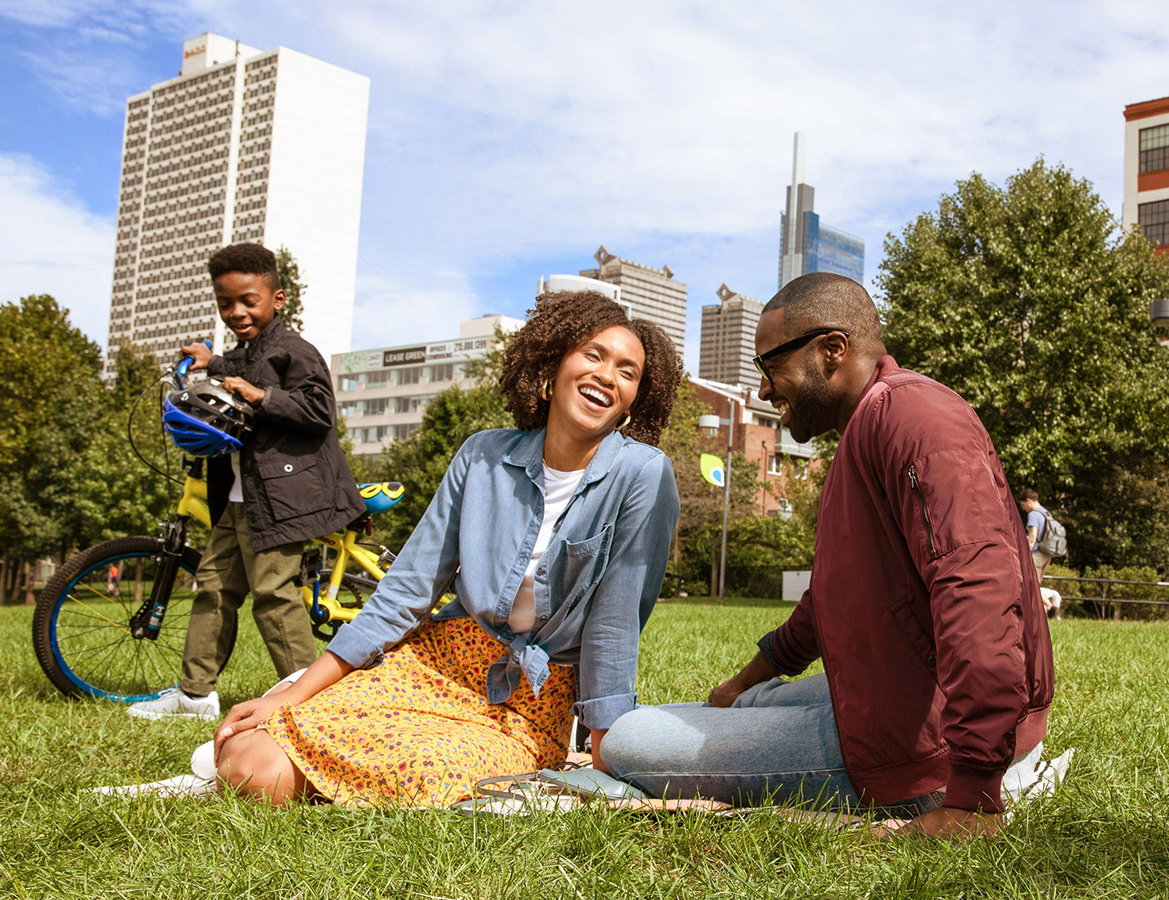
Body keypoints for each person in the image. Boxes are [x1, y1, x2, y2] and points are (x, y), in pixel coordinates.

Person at [602, 272, 1054, 839]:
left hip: (938, 745)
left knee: (628, 738)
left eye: (770, 367)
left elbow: (979, 593)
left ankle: (995, 778)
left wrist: (974, 794)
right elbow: (829, 602)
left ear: (831, 350)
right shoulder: (860, 435)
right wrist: (744, 683)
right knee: (719, 710)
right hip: (902, 692)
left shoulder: (917, 419)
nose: (765, 390)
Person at [209, 290, 681, 807]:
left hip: (529, 701)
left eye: (627, 371)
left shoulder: (642, 474)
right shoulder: (482, 454)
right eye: (592, 355)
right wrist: (293, 697)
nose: (607, 376)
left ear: (636, 398)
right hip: (439, 660)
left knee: (424, 775)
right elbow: (405, 591)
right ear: (553, 363)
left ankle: (339, 768)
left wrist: (604, 764)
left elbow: (613, 626)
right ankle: (312, 712)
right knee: (250, 763)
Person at [127, 243, 365, 721]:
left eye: (248, 301)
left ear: (277, 298)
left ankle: (311, 705)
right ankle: (195, 696)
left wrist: (261, 396)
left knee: (273, 596)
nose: (236, 312)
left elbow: (318, 411)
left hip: (284, 500)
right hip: (242, 498)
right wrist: (208, 361)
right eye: (225, 303)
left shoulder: (294, 351)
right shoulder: (246, 353)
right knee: (213, 588)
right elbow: (237, 370)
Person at [1018, 489, 1055, 583]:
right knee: (1036, 586)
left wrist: (1027, 553)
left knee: (1031, 586)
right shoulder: (1046, 513)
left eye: (1023, 505)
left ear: (1028, 500)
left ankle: (1050, 598)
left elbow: (1033, 536)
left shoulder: (1033, 514)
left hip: (1037, 553)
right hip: (1047, 553)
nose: (1023, 508)